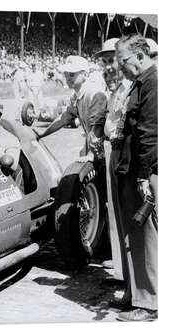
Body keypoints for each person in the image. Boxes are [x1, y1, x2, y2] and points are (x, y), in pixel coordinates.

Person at [112, 34, 157, 322]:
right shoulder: (142, 83)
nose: (120, 68)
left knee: (145, 235)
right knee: (134, 234)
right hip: (134, 167)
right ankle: (137, 294)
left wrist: (144, 175)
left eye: (123, 61)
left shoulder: (153, 83)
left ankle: (150, 302)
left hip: (143, 170)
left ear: (140, 56)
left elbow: (151, 134)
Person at [94, 37, 132, 286]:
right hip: (112, 151)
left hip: (124, 154)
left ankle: (129, 276)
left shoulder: (129, 87)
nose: (108, 67)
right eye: (104, 62)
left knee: (126, 215)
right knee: (115, 212)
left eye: (112, 61)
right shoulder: (114, 90)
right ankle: (121, 272)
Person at [37, 55, 108, 163]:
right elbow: (64, 118)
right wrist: (43, 133)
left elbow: (98, 126)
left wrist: (91, 154)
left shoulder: (94, 92)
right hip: (94, 146)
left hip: (105, 149)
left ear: (84, 74)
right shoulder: (76, 95)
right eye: (66, 74)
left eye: (72, 74)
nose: (68, 78)